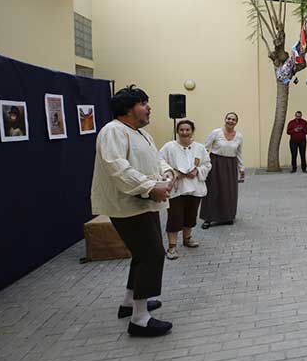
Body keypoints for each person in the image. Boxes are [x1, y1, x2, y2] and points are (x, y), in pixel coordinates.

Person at [90, 85, 174, 337]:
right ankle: (140, 319)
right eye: (143, 103)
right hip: (128, 205)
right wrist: (151, 187)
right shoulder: (113, 131)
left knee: (141, 254)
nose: (149, 108)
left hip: (143, 203)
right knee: (152, 255)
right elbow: (118, 169)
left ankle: (130, 303)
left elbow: (154, 158)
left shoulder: (141, 133)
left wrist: (166, 172)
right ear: (128, 108)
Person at [159, 120, 212, 260]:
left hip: (194, 187)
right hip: (177, 188)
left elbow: (207, 164)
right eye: (181, 130)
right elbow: (160, 161)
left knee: (190, 214)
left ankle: (187, 239)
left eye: (187, 130)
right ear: (178, 131)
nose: (184, 132)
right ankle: (172, 246)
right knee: (174, 216)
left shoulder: (199, 148)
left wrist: (198, 171)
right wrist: (173, 173)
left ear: (192, 131)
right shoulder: (169, 147)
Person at [200, 112, 244, 229]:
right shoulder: (216, 133)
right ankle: (208, 218)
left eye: (233, 119)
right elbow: (205, 148)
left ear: (236, 122)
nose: (230, 121)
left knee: (229, 191)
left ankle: (227, 216)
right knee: (213, 190)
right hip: (216, 163)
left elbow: (238, 153)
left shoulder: (239, 136)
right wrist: (203, 164)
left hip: (231, 164)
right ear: (225, 119)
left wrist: (241, 167)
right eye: (229, 118)